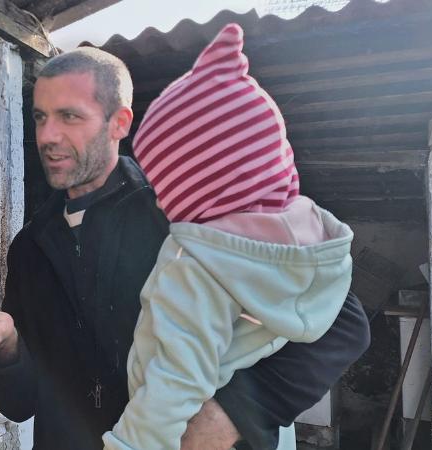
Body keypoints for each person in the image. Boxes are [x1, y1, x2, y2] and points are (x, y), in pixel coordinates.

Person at [0, 35, 370, 449]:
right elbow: (23, 402)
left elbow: (344, 325)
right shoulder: (30, 247)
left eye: (70, 116)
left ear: (120, 122)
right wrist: (2, 346)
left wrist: (231, 413)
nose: (47, 136)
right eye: (40, 117)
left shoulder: (190, 213)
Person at [101, 24, 353, 450]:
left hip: (174, 433)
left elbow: (179, 375)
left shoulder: (198, 264)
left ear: (202, 182)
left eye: (166, 186)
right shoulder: (308, 248)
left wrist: (131, 444)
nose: (161, 204)